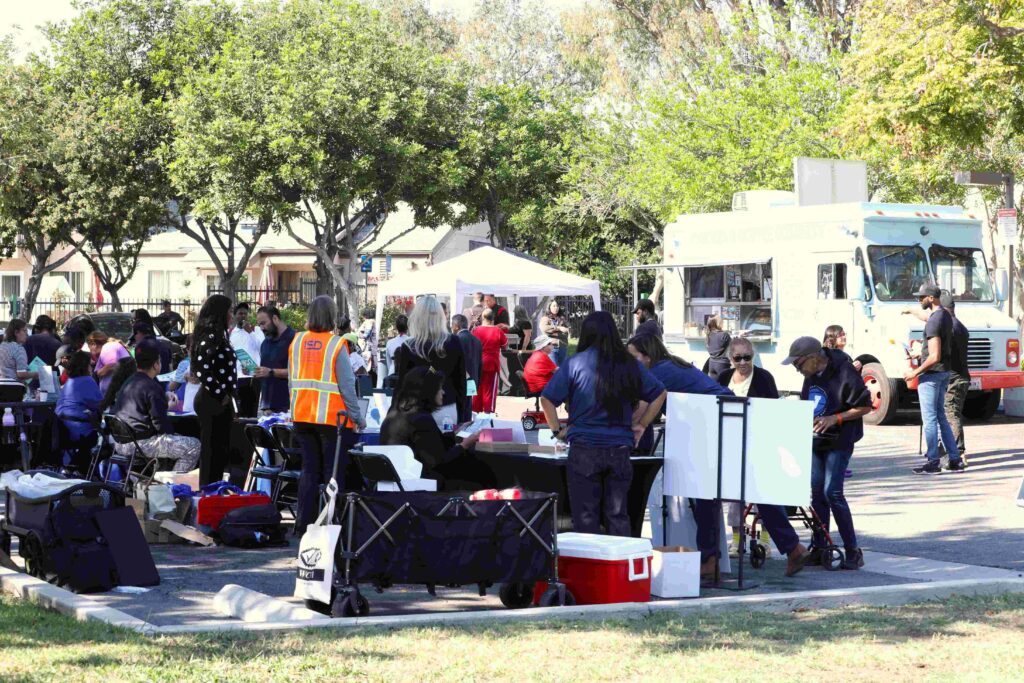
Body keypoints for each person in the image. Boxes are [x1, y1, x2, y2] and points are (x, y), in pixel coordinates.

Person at [628, 334, 809, 577]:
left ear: (647, 356)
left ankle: (712, 558)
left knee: (707, 491)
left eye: (634, 357)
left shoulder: (659, 371)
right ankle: (789, 546)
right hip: (721, 416)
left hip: (716, 421)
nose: (631, 363)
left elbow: (640, 410)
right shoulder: (671, 365)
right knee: (742, 488)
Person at [541, 311, 667, 536]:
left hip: (583, 448)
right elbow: (659, 393)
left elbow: (547, 399)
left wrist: (557, 431)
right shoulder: (629, 364)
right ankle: (618, 568)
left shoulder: (575, 363)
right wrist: (642, 424)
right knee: (617, 515)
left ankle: (589, 568)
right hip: (619, 448)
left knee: (585, 516)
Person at [782, 336, 872, 569]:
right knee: (816, 492)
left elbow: (865, 406)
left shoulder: (844, 371)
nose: (797, 369)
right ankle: (820, 547)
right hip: (816, 440)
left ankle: (853, 551)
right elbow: (808, 404)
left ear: (813, 358)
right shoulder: (810, 376)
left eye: (798, 364)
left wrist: (836, 418)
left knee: (832, 492)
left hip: (840, 440)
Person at [289, 295, 365, 537]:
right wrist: (358, 418)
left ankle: (304, 526)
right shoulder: (335, 344)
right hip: (332, 420)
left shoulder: (297, 341)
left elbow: (292, 379)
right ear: (332, 317)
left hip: (302, 415)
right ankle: (333, 527)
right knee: (334, 475)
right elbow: (347, 385)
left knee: (309, 471)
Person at [380, 366, 495, 486]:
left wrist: (454, 434)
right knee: (482, 475)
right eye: (440, 388)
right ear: (429, 391)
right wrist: (464, 445)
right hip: (419, 482)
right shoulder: (420, 419)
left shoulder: (396, 413)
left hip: (397, 479)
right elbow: (438, 461)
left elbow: (430, 445)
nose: (443, 392)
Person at [111, 339, 201, 473]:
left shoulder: (131, 381)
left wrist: (164, 397)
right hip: (140, 443)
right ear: (156, 364)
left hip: (120, 441)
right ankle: (171, 485)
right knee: (194, 446)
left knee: (176, 441)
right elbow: (161, 425)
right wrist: (167, 407)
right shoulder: (151, 386)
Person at [903, 284, 965, 474]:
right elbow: (928, 319)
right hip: (944, 373)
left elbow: (934, 355)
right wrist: (911, 311)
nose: (919, 300)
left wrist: (915, 372)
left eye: (921, 297)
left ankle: (933, 462)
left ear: (931, 298)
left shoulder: (933, 322)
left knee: (929, 419)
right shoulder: (944, 315)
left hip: (931, 376)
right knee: (941, 417)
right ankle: (954, 459)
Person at [395, 295, 469, 425]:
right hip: (447, 408)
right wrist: (463, 416)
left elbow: (402, 385)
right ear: (440, 316)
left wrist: (394, 414)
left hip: (417, 410)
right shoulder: (453, 342)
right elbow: (461, 383)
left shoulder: (409, 347)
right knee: (448, 444)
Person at [193, 294, 238, 485]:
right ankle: (208, 490)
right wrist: (221, 394)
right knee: (211, 451)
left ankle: (214, 488)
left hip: (219, 400)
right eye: (228, 311)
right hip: (212, 400)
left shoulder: (220, 335)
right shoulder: (211, 336)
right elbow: (203, 369)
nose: (231, 315)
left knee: (219, 450)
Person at [55, 351, 103, 473]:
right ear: (85, 366)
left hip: (62, 429)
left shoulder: (69, 381)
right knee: (104, 441)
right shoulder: (88, 380)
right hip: (79, 432)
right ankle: (89, 472)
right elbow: (99, 405)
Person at [253, 305, 295, 414]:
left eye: (263, 323)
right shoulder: (265, 343)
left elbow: (298, 373)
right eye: (259, 325)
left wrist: (271, 372)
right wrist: (256, 372)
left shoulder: (295, 340)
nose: (261, 328)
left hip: (288, 408)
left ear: (275, 319)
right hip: (266, 408)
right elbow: (265, 371)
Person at [471, 308, 507, 414]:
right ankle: (488, 414)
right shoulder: (498, 331)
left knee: (477, 390)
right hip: (492, 364)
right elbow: (505, 346)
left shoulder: (476, 330)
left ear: (483, 317)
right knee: (489, 391)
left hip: (477, 364)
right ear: (493, 318)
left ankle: (475, 413)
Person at [451, 314, 481, 419]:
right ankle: (466, 432)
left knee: (458, 411)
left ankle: (459, 433)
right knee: (468, 408)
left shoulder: (456, 340)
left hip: (459, 380)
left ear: (456, 326)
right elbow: (479, 364)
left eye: (452, 325)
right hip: (473, 380)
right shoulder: (477, 341)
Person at [379, 314, 410, 389]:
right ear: (408, 326)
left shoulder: (390, 342)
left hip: (392, 372)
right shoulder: (412, 341)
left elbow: (388, 361)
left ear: (396, 327)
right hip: (408, 374)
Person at [540, 299, 571, 366]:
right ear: (549, 307)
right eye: (553, 306)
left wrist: (554, 332)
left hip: (563, 347)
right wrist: (559, 328)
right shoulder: (545, 318)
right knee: (554, 369)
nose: (556, 308)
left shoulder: (562, 318)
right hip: (551, 348)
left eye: (557, 306)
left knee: (562, 370)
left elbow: (568, 330)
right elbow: (545, 329)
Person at [703, 315, 732, 381]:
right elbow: (732, 348)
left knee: (715, 387)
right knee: (724, 386)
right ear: (718, 323)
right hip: (722, 364)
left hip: (712, 364)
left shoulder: (709, 334)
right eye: (721, 321)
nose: (723, 322)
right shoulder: (724, 335)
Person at [357, 307, 378, 377]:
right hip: (371, 348)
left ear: (365, 315)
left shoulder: (369, 322)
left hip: (368, 349)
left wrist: (358, 334)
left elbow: (366, 334)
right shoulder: (373, 321)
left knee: (368, 370)